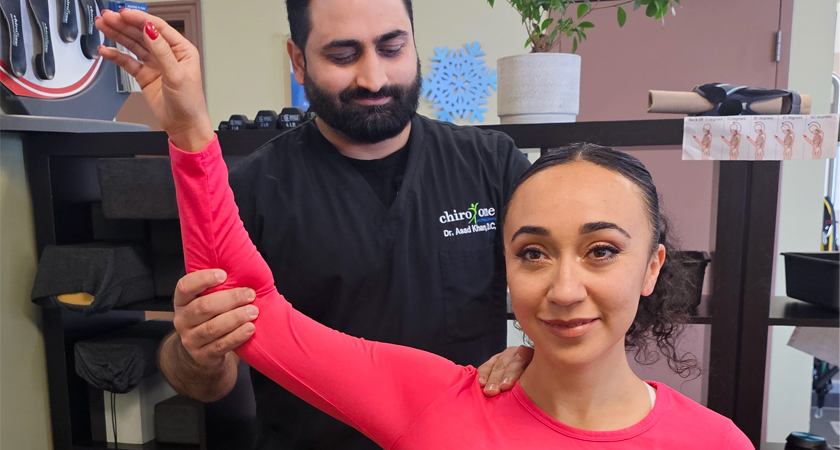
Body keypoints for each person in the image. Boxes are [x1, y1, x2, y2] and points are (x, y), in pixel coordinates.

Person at [95, 1, 533, 448]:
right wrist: (198, 352)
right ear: (299, 61)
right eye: (343, 56)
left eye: (393, 48)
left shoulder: (493, 166)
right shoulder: (251, 190)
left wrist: (540, 357)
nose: (374, 78)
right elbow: (205, 382)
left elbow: (574, 291)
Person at [165, 131, 754, 447]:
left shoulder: (715, 443)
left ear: (652, 267)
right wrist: (189, 128)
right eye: (533, 254)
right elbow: (250, 302)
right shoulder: (432, 404)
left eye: (601, 251)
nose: (565, 288)